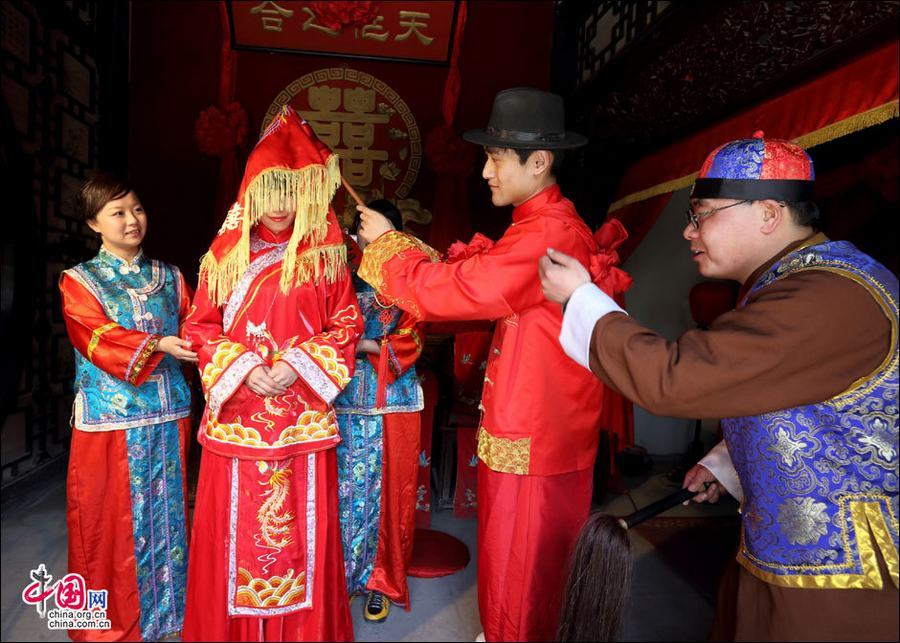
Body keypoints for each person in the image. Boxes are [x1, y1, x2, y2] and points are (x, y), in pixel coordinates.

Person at [540, 132, 898, 641]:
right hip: (783, 550)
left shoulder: (828, 295)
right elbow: (806, 402)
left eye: (702, 212)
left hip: (843, 576)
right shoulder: (796, 282)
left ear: (769, 215)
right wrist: (731, 460)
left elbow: (676, 377)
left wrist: (581, 300)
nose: (689, 232)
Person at [356, 87, 632, 642]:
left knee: (521, 563)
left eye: (496, 158)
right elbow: (479, 277)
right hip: (535, 425)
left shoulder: (549, 232)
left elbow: (453, 292)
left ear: (540, 161)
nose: (485, 171)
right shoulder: (540, 225)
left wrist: (387, 246)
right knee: (518, 561)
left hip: (537, 430)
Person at [180, 106, 362, 642]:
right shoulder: (224, 257)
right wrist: (241, 367)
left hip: (301, 415)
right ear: (251, 192)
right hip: (238, 413)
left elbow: (347, 325)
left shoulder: (327, 257)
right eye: (270, 190)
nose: (281, 205)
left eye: (292, 191)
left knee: (301, 536)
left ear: (308, 193)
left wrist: (293, 364)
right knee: (232, 535)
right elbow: (200, 326)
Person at [59, 173, 197, 641]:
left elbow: (198, 327)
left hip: (167, 414)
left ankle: (168, 617)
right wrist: (159, 342)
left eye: (136, 209)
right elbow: (94, 337)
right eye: (117, 213)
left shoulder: (170, 276)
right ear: (94, 223)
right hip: (111, 420)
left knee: (169, 517)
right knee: (106, 525)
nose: (131, 220)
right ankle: (101, 624)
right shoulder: (79, 281)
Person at [335, 199, 424, 622]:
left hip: (394, 401)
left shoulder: (412, 276)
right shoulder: (340, 275)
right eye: (360, 231)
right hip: (344, 398)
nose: (364, 239)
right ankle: (341, 575)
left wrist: (363, 345)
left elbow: (414, 339)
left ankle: (381, 580)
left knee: (391, 493)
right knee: (342, 490)